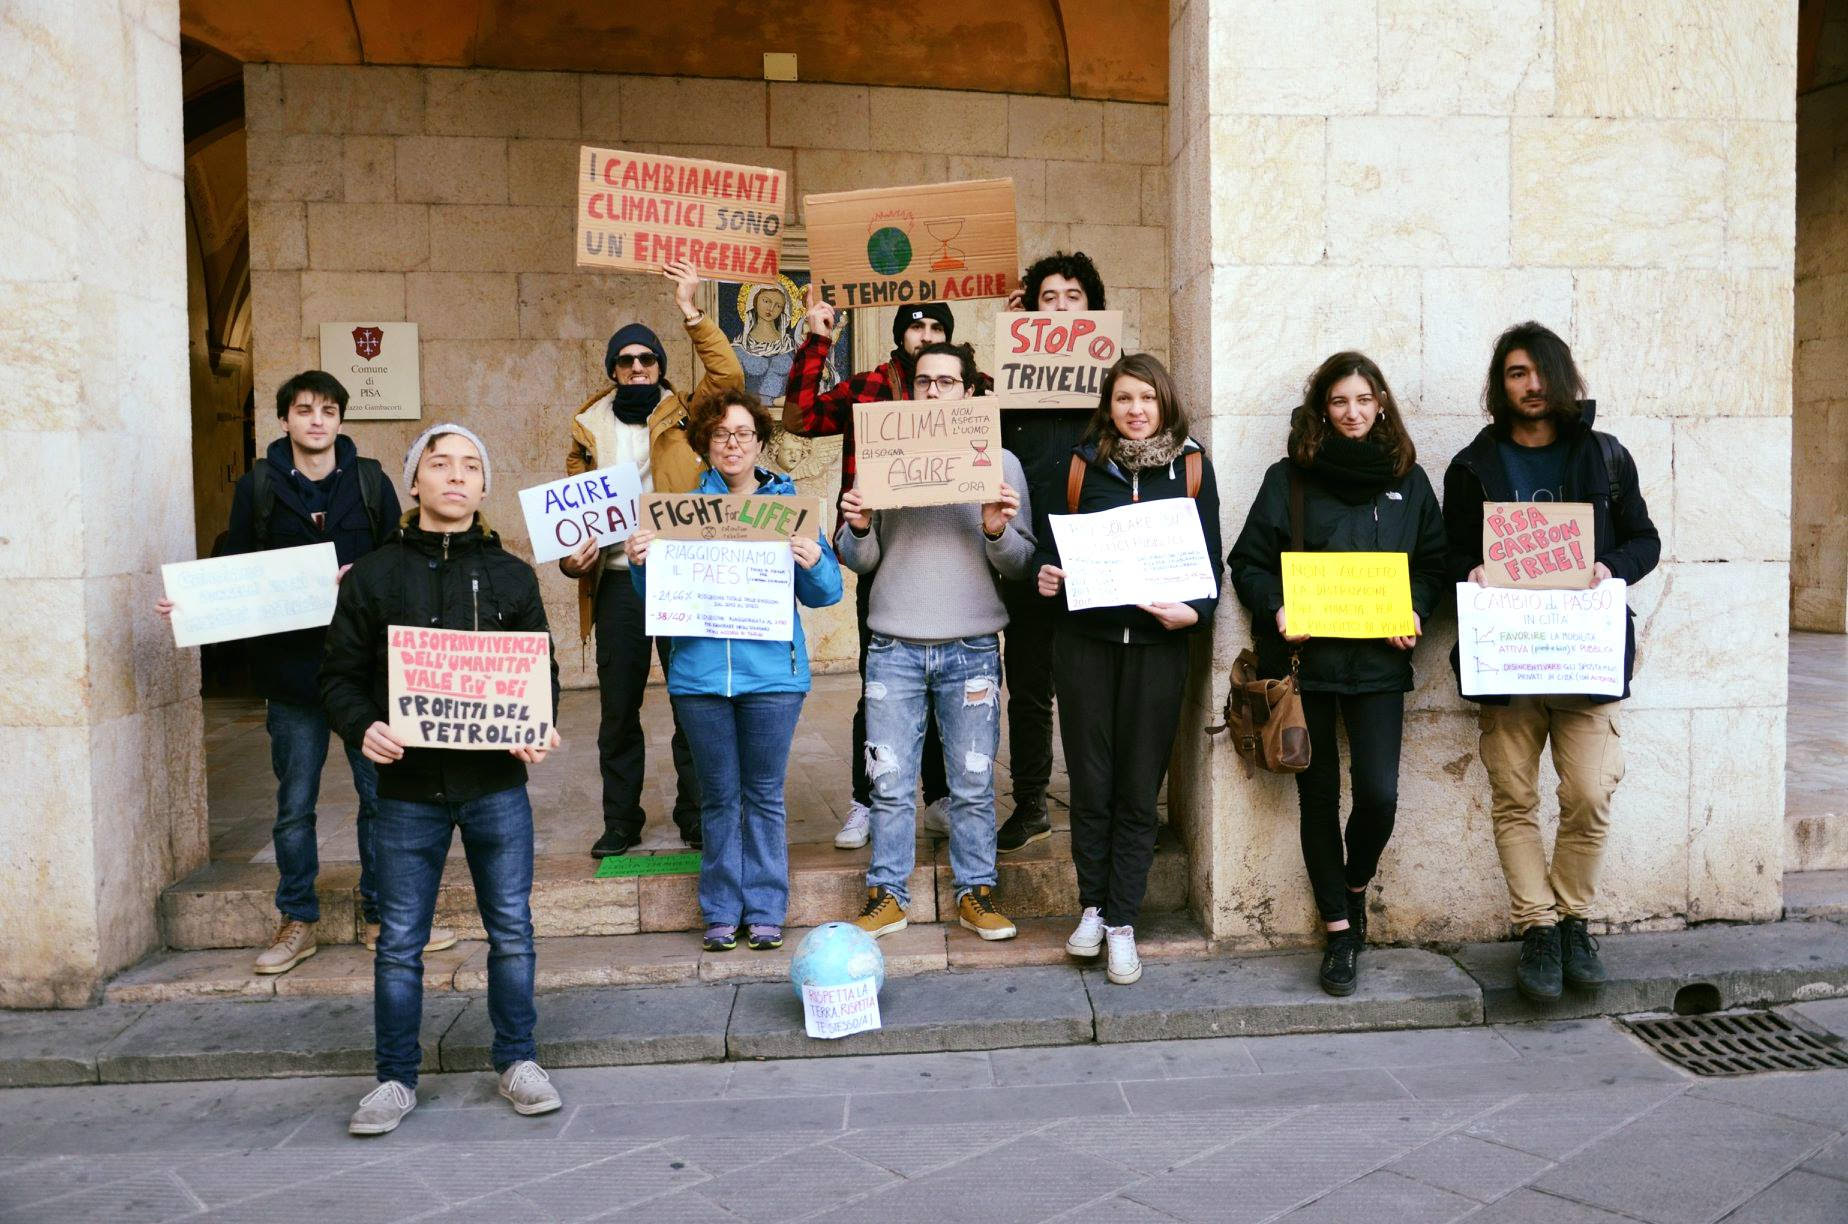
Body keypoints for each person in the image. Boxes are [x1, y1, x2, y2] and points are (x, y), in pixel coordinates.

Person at [154, 371, 456, 974]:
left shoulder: (369, 481)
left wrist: (366, 578)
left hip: (365, 673)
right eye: (304, 410)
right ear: (285, 419)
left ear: (340, 418)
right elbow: (234, 563)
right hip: (291, 674)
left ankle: (383, 917)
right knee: (295, 805)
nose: (317, 420)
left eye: (327, 410)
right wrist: (194, 602)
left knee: (381, 798)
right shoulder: (259, 486)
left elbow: (401, 557)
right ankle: (297, 920)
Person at [321, 423, 564, 1137]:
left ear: (484, 486)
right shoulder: (373, 576)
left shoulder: (513, 576)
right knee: (399, 940)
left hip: (496, 787)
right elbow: (337, 676)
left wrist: (538, 725)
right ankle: (394, 1078)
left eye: (470, 466)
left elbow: (541, 674)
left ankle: (518, 1060)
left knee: (512, 929)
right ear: (414, 481)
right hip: (404, 792)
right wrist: (361, 725)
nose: (456, 476)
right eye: (440, 464)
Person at [1444, 321, 1659, 1004]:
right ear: (1499, 385)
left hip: (1584, 655)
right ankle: (1538, 928)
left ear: (1561, 377)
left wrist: (1610, 568)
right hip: (1509, 659)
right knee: (1514, 797)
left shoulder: (1606, 456)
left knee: (1590, 792)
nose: (1531, 385)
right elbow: (1446, 553)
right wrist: (1471, 572)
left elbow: (1646, 540)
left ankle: (1572, 921)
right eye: (1516, 373)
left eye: (1540, 371)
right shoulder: (1472, 466)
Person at [1228, 352, 1448, 998]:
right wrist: (1278, 609)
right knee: (1318, 798)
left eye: (1364, 399)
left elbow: (1434, 563)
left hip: (1379, 665)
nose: (1353, 412)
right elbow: (1248, 563)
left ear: (1381, 404)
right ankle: (1339, 932)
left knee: (1379, 795)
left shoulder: (1409, 481)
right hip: (1308, 670)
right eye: (1339, 401)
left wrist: (1416, 609)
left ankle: (1354, 886)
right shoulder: (1288, 479)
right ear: (1322, 410)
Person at [625, 388, 843, 953]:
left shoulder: (790, 509)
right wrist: (641, 563)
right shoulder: (679, 513)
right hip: (699, 678)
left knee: (765, 795)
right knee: (718, 796)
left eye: (743, 433)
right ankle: (721, 910)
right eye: (720, 434)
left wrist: (814, 561)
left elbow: (827, 593)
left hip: (772, 678)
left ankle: (766, 908)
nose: (732, 443)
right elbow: (657, 600)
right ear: (705, 443)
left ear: (759, 441)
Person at [835, 341, 1032, 942]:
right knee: (889, 781)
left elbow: (1021, 562)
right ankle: (888, 895)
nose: (934, 391)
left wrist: (996, 530)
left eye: (947, 382)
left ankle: (977, 892)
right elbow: (859, 559)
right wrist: (857, 528)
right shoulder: (882, 455)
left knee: (972, 783)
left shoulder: (1001, 461)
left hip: (971, 645)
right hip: (893, 643)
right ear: (910, 389)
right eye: (924, 381)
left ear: (970, 391)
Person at [1034, 354, 1221, 985]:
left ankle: (1122, 923)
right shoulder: (1081, 466)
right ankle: (1092, 906)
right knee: (1091, 784)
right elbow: (1049, 556)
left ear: (1165, 403)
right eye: (1123, 399)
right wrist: (1046, 577)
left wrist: (1194, 612)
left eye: (1147, 398)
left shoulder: (1191, 467)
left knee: (1139, 788)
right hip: (1084, 645)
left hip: (1157, 650)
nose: (1136, 410)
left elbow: (1210, 563)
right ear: (1107, 406)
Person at [784, 297, 992, 850]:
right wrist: (818, 340)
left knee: (947, 683)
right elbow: (800, 419)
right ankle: (868, 798)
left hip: (951, 558)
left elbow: (1018, 422)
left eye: (937, 327)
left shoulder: (974, 390)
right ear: (901, 335)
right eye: (916, 327)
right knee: (877, 686)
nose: (926, 335)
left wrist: (1026, 327)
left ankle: (941, 798)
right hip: (879, 554)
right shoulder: (868, 387)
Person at [560, 260, 742, 859]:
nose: (637, 367)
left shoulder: (689, 414)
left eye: (647, 359)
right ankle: (621, 820)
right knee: (618, 711)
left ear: (661, 366)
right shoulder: (587, 429)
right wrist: (573, 562)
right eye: (625, 361)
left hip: (681, 577)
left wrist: (691, 311)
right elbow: (571, 523)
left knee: (692, 702)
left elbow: (729, 372)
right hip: (618, 582)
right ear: (612, 370)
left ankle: (695, 813)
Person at [994, 251, 1111, 855]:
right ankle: (1031, 801)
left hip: (1097, 560)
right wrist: (1011, 341)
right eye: (1048, 298)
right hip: (1028, 556)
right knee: (1030, 685)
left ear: (1093, 308)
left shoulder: (1114, 384)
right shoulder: (1010, 385)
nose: (1061, 308)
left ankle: (1102, 802)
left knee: (1096, 689)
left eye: (1073, 297)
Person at [731, 278, 804, 402]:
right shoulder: (738, 348)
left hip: (783, 412)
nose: (771, 308)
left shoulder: (791, 347)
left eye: (778, 305)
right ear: (754, 301)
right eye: (766, 301)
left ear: (783, 310)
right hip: (750, 412)